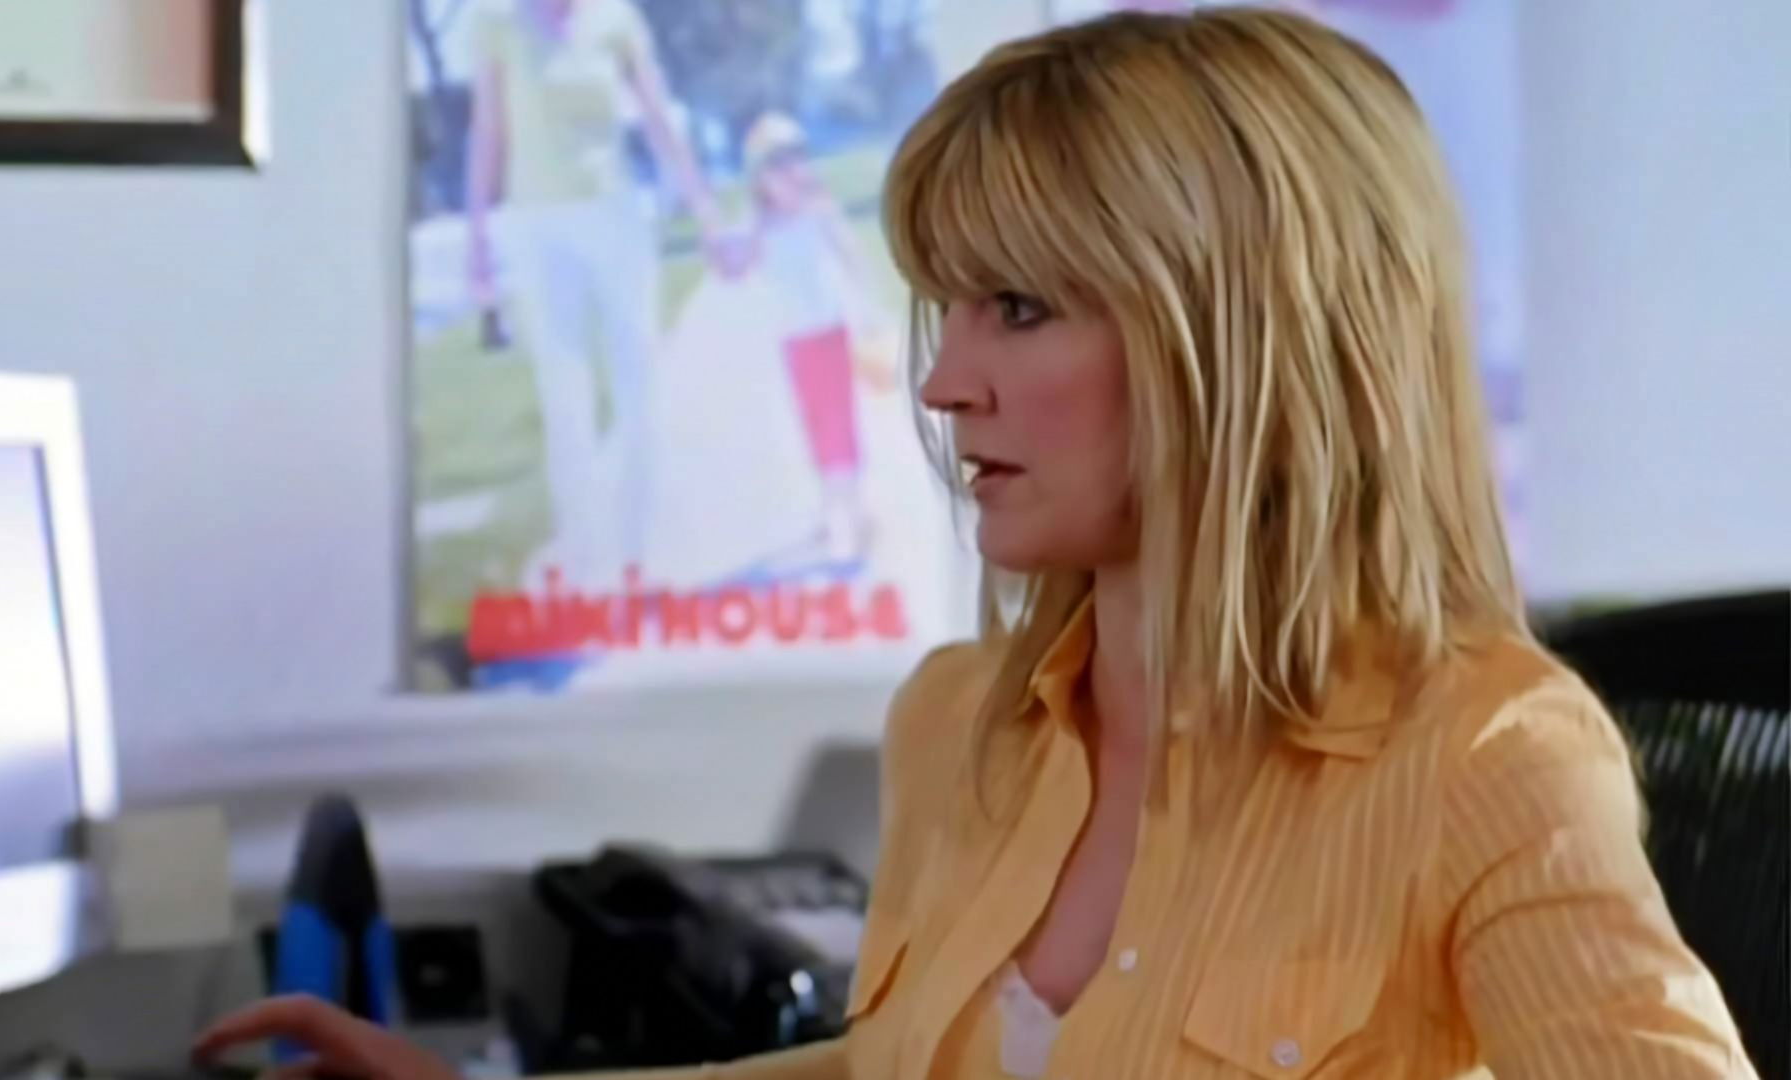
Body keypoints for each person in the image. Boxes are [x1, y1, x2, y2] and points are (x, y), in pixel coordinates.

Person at [200, 9, 1756, 1077]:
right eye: (946, 309)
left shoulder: (1484, 756)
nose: (945, 382)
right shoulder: (961, 725)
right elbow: (888, 1068)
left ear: (1245, 335)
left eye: (1019, 307)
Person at [466, 0, 732, 587]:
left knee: (640, 390)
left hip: (615, 217)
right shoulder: (497, 23)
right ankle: (587, 568)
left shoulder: (615, 19)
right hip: (537, 229)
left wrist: (706, 212)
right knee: (566, 400)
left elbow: (658, 116)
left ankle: (640, 556)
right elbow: (488, 131)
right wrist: (477, 237)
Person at [740, 111, 891, 572]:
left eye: (796, 158)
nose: (790, 172)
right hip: (795, 342)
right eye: (776, 164)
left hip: (828, 332)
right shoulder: (760, 225)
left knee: (841, 424)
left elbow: (850, 254)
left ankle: (857, 511)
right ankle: (832, 508)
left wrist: (868, 310)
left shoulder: (817, 210)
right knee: (815, 428)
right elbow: (738, 264)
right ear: (759, 178)